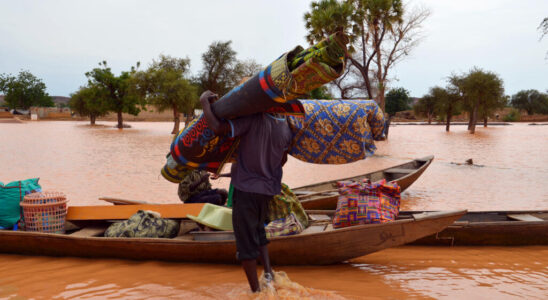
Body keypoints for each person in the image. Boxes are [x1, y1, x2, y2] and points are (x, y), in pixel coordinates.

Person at [200, 90, 292, 292]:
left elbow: (217, 128)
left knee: (245, 245)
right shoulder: (285, 127)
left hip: (246, 189)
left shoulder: (253, 120)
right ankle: (268, 275)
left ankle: (256, 293)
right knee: (258, 231)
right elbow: (283, 160)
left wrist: (204, 104)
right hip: (267, 191)